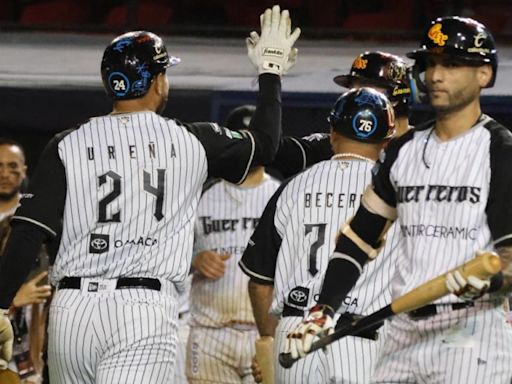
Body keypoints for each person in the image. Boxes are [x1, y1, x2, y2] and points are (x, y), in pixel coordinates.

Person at [0, 6, 301, 383]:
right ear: (158, 81)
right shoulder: (191, 140)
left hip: (72, 312)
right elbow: (266, 146)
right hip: (142, 309)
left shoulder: (66, 144)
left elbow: (28, 231)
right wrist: (270, 74)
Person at [287, 16, 512, 383]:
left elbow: (509, 257)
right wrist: (324, 308)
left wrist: (491, 281)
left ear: (485, 74)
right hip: (402, 332)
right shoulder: (403, 150)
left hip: (470, 334)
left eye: (452, 64)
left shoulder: (499, 150)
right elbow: (360, 237)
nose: (437, 75)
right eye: (431, 63)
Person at [240, 88, 398, 383]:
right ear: (387, 141)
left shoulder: (293, 186)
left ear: (332, 132)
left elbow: (259, 282)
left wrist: (271, 339)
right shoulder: (393, 191)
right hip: (360, 338)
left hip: (296, 332)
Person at [186, 104, 281, 383]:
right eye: (242, 140)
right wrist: (194, 258)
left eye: (256, 139)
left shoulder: (282, 196)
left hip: (264, 332)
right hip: (210, 332)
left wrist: (273, 337)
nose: (249, 148)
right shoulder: (200, 195)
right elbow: (165, 252)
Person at [269, 51, 411, 179]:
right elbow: (272, 152)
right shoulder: (332, 145)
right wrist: (270, 77)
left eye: (366, 86)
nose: (355, 95)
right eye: (352, 88)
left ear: (395, 96)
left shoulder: (423, 148)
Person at [0, 139, 51, 384]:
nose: (5, 174)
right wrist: (14, 299)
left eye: (12, 166)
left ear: (24, 170)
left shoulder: (40, 217)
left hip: (32, 349)